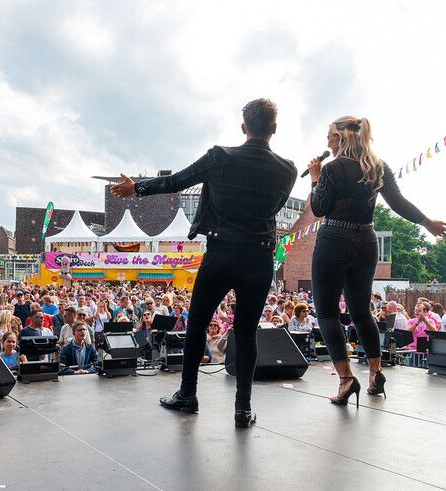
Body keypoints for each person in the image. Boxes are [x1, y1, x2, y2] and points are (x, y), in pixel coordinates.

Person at [111, 98, 296, 427]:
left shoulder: (219, 157)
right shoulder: (288, 170)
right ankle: (242, 408)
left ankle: (188, 394)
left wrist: (135, 188)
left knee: (196, 325)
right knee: (246, 333)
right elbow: (273, 207)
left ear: (243, 127)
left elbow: (175, 181)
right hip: (259, 257)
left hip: (221, 252)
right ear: (274, 129)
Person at [307, 115, 446, 405]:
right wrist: (427, 223)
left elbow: (319, 208)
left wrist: (316, 177)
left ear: (341, 137)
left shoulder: (332, 169)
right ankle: (375, 373)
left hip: (334, 239)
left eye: (330, 137)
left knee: (328, 313)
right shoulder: (377, 167)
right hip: (367, 242)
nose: (327, 143)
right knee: (361, 312)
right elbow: (398, 203)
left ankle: (346, 380)